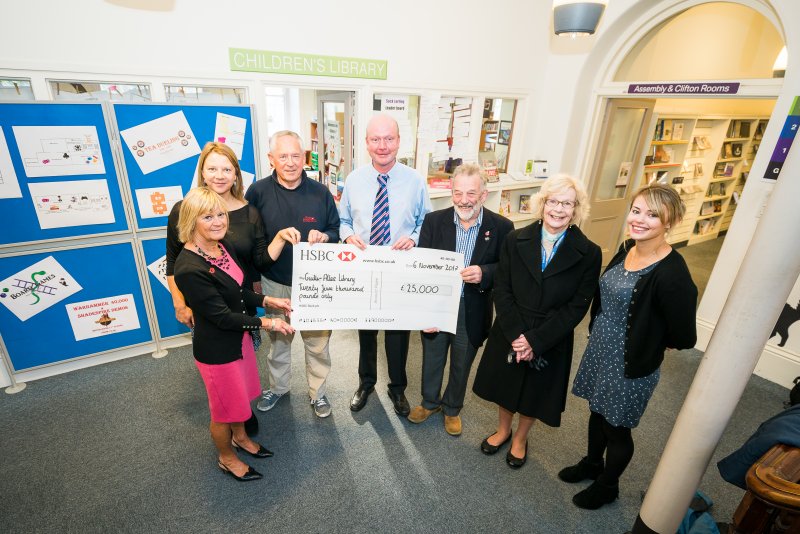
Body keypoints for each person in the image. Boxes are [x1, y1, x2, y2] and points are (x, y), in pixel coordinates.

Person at [559, 183, 697, 510]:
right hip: (602, 348)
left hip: (631, 361)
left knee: (616, 426)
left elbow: (685, 336)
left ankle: (609, 484)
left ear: (670, 222)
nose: (639, 219)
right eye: (636, 211)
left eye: (652, 215)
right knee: (597, 410)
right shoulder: (628, 247)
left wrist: (656, 341)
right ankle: (593, 464)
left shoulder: (672, 272)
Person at [472, 174, 601, 469]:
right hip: (511, 327)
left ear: (576, 209)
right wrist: (519, 335)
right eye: (553, 201)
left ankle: (520, 438)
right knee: (505, 385)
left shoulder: (590, 253)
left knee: (534, 392)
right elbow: (501, 288)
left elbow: (578, 306)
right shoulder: (515, 238)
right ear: (542, 204)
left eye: (567, 203)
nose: (558, 209)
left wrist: (536, 340)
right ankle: (503, 430)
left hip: (551, 335)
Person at [166, 141, 289, 436]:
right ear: (202, 173)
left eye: (226, 169)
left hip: (241, 297)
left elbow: (258, 260)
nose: (219, 175)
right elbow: (172, 262)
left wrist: (281, 237)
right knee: (220, 369)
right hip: (208, 303)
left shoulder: (249, 211)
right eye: (212, 169)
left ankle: (242, 414)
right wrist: (179, 303)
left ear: (236, 174)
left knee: (244, 363)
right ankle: (232, 418)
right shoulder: (184, 209)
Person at [173, 188, 294, 481]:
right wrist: (270, 323)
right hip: (217, 350)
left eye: (220, 214)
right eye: (207, 216)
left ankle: (241, 438)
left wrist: (267, 302)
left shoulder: (221, 246)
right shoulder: (188, 267)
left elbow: (237, 291)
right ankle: (226, 457)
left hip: (238, 341)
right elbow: (221, 317)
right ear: (191, 221)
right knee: (222, 411)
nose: (217, 222)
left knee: (239, 401)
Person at [409, 163, 513, 436]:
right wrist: (422, 312)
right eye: (458, 193)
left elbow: (509, 269)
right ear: (451, 193)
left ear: (483, 194)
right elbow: (420, 266)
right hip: (436, 304)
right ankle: (429, 402)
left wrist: (485, 272)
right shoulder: (434, 222)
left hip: (473, 305)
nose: (464, 200)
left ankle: (452, 408)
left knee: (462, 360)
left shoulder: (502, 226)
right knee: (432, 356)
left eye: (471, 193)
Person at [339, 114, 432, 416]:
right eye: (376, 139)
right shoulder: (353, 180)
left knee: (398, 334)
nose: (383, 146)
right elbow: (342, 221)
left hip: (400, 270)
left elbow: (426, 223)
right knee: (366, 331)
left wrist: (415, 239)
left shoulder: (415, 180)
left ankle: (397, 389)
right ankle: (366, 383)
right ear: (366, 143)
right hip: (364, 269)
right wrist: (349, 235)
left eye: (389, 139)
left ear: (398, 142)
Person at [245, 131, 340, 418]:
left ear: (305, 158)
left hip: (315, 285)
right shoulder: (257, 193)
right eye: (282, 156)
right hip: (275, 281)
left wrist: (324, 236)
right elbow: (251, 240)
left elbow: (336, 231)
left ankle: (318, 393)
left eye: (295, 155)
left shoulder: (321, 193)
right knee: (278, 343)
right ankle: (278, 388)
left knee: (317, 344)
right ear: (271, 159)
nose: (290, 162)